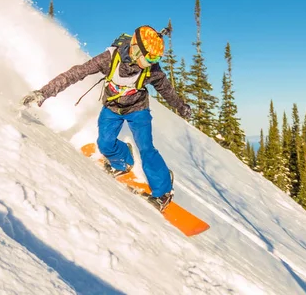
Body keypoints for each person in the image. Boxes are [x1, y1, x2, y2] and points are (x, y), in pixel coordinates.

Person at [21, 25, 192, 211]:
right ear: (136, 50)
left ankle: (163, 192)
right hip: (112, 108)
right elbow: (75, 73)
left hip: (138, 109)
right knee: (104, 143)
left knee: (146, 148)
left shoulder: (152, 70)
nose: (153, 62)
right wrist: (43, 93)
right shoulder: (109, 59)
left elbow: (166, 90)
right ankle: (122, 162)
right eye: (150, 57)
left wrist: (181, 107)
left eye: (157, 58)